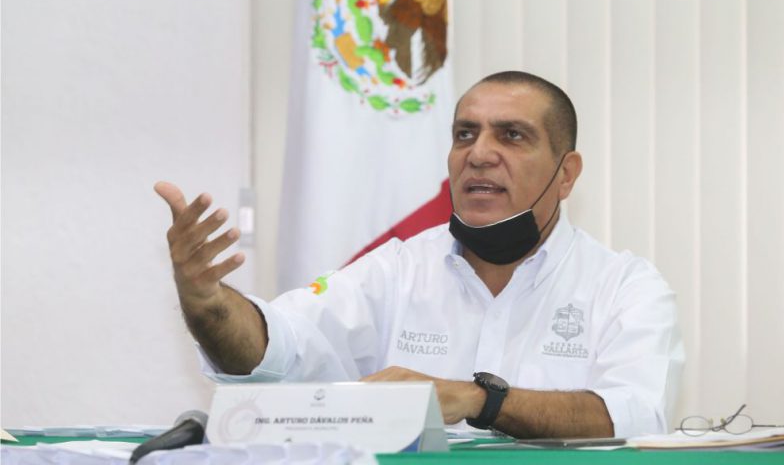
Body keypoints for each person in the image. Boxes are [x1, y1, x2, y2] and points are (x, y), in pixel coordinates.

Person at [155, 71, 683, 439]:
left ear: (565, 174)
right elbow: (275, 349)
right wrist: (206, 301)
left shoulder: (625, 286)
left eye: (512, 135)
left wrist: (478, 399)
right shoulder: (397, 269)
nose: (479, 153)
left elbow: (638, 415)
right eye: (465, 134)